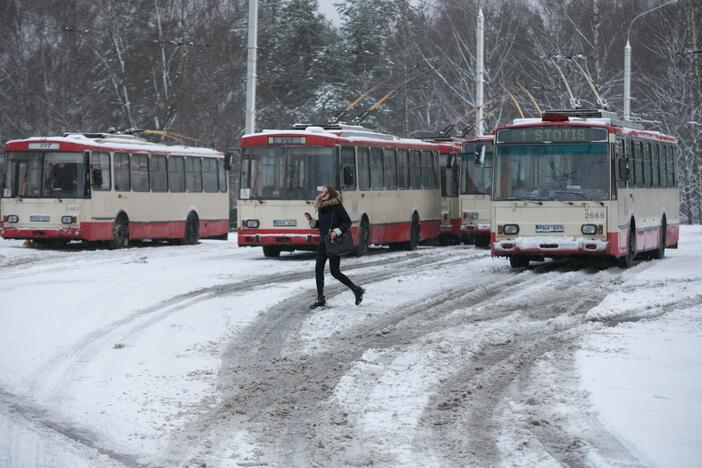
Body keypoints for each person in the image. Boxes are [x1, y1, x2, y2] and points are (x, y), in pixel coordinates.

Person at [305, 185, 365, 309]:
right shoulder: (321, 207)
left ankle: (356, 289)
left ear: (331, 194)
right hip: (323, 243)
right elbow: (322, 225)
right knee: (318, 270)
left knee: (335, 272)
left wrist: (337, 231)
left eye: (326, 192)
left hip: (333, 243)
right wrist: (312, 221)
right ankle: (320, 298)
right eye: (322, 192)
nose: (323, 194)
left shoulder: (337, 207)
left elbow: (347, 222)